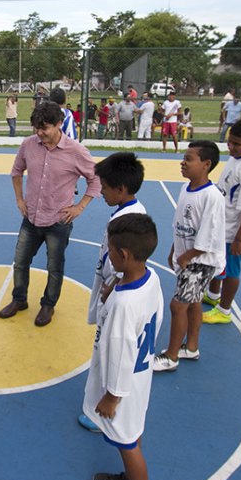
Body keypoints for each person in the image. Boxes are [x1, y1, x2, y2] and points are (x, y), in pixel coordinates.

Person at [83, 213, 164, 480]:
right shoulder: (151, 277)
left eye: (112, 252)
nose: (109, 256)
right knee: (132, 433)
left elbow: (118, 353)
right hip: (141, 378)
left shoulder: (122, 307)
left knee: (128, 442)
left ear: (124, 255)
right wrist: (114, 288)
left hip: (123, 386)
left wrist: (112, 396)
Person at [0, 101, 100, 327]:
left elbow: (96, 180)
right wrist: (19, 199)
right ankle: (19, 300)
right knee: (20, 263)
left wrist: (79, 207)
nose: (39, 133)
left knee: (54, 268)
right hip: (31, 219)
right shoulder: (28, 145)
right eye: (36, 128)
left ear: (59, 124)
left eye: (44, 128)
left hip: (58, 222)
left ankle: (48, 305)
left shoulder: (76, 151)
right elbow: (16, 172)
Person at [78, 152, 148, 434]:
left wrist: (113, 284)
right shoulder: (126, 213)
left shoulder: (131, 219)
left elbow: (129, 261)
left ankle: (103, 409)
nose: (101, 192)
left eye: (104, 187)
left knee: (108, 353)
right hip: (110, 289)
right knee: (103, 351)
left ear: (120, 189)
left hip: (114, 294)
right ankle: (100, 403)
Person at [153, 140, 225, 373]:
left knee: (178, 305)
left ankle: (171, 356)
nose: (183, 163)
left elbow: (208, 236)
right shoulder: (187, 188)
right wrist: (174, 250)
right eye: (183, 158)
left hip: (199, 262)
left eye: (189, 159)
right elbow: (180, 223)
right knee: (193, 301)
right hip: (187, 257)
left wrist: (187, 256)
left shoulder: (212, 196)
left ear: (206, 164)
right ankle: (191, 347)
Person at [202, 119, 241, 324]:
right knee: (215, 262)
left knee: (231, 270)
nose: (231, 147)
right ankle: (213, 296)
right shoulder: (235, 159)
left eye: (237, 144)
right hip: (221, 225)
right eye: (230, 142)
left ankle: (224, 309)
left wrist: (239, 238)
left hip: (233, 231)